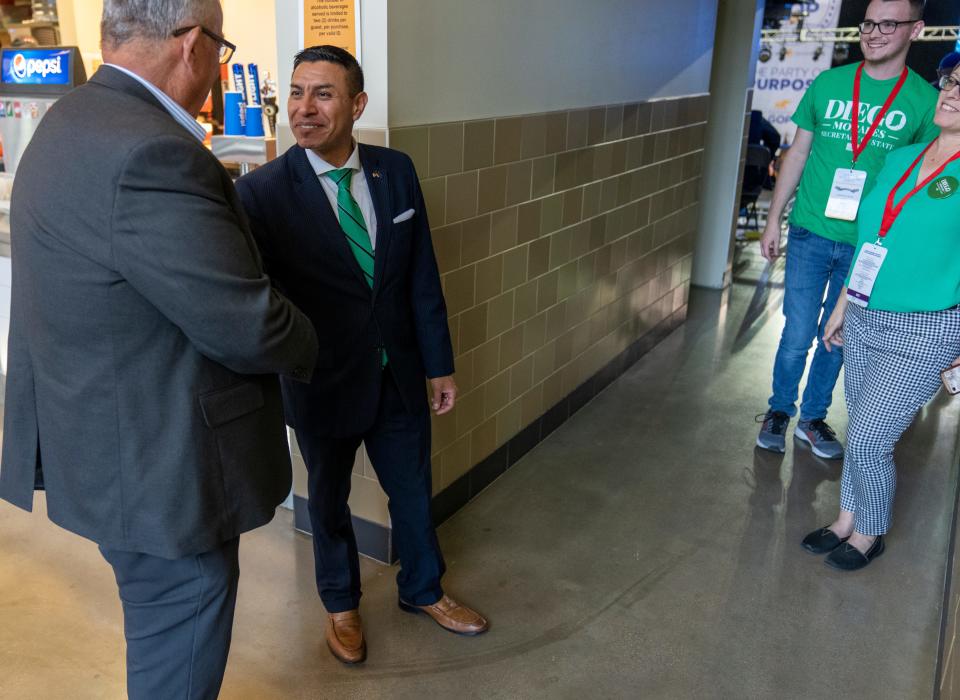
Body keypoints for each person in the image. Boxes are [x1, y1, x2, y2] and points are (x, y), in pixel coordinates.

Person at [0, 1, 318, 697]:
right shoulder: (152, 151)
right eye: (222, 48)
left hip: (101, 441)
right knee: (182, 634)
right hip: (160, 470)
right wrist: (319, 344)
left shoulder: (69, 119)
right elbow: (248, 323)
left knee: (161, 626)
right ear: (192, 45)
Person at [235, 46, 488, 665]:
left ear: (357, 105)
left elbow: (421, 276)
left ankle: (423, 589)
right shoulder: (263, 194)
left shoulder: (394, 171)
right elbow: (256, 302)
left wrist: (438, 363)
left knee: (411, 490)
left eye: (323, 94)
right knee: (327, 501)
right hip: (321, 381)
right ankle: (341, 606)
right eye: (296, 93)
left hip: (398, 373)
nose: (305, 108)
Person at [756, 0, 938, 459]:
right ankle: (780, 409)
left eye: (889, 24)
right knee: (797, 332)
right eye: (869, 22)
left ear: (915, 30)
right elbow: (797, 154)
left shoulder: (923, 102)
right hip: (809, 231)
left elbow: (914, 185)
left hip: (866, 247)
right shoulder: (829, 83)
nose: (874, 32)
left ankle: (813, 419)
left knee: (836, 336)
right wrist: (774, 217)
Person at [801, 67, 960, 571]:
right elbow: (876, 236)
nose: (952, 94)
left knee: (871, 437)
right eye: (953, 81)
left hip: (927, 326)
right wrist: (846, 303)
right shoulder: (902, 157)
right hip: (867, 314)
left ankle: (870, 529)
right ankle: (846, 519)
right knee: (860, 425)